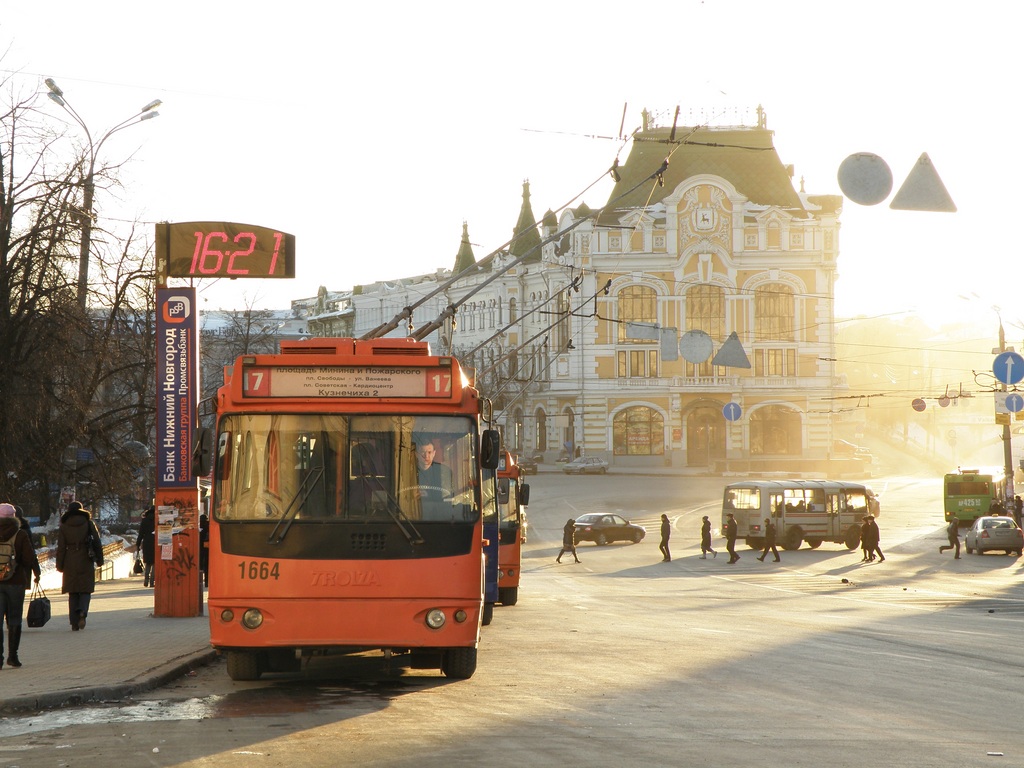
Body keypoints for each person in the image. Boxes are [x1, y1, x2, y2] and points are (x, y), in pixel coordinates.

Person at [0, 502, 41, 669]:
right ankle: (13, 656)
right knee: (14, 619)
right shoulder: (20, 534)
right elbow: (28, 558)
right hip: (15, 583)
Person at [56, 501, 104, 630]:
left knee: (72, 592)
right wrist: (100, 560)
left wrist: (59, 565)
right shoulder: (88, 523)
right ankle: (82, 611)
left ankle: (73, 623)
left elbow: (60, 547)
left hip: (69, 560)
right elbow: (97, 542)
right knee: (85, 589)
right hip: (85, 558)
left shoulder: (64, 526)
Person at [136, 506, 156, 588]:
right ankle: (152, 582)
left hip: (147, 543)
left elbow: (141, 534)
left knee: (148, 563)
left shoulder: (144, 521)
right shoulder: (157, 520)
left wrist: (138, 544)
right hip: (155, 543)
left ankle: (146, 581)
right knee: (155, 563)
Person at [199, 512, 210, 587]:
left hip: (200, 549)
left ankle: (199, 581)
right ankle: (206, 582)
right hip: (208, 548)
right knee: (207, 566)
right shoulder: (209, 526)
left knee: (200, 566)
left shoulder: (199, 527)